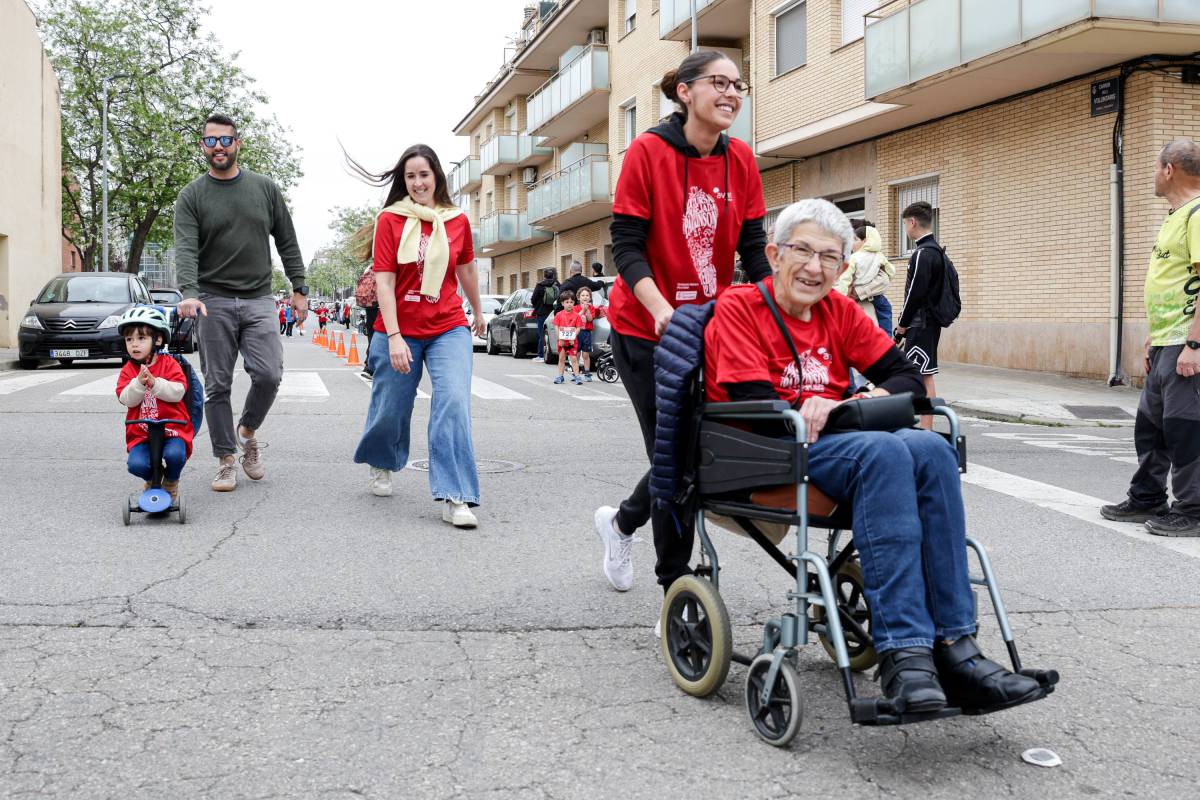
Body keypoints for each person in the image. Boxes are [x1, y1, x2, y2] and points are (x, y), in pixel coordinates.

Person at [705, 197, 1042, 713]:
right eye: (803, 251)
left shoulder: (839, 311)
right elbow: (754, 402)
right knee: (882, 452)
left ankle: (957, 648)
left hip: (836, 440)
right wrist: (836, 411)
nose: (815, 267)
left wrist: (852, 402)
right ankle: (904, 655)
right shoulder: (740, 307)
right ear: (774, 254)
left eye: (830, 257)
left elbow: (905, 377)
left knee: (930, 447)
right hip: (769, 448)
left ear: (843, 266)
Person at [593, 50, 771, 602]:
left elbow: (754, 249)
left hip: (705, 329)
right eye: (719, 82)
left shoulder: (741, 160)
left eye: (738, 85)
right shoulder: (648, 151)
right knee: (673, 455)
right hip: (643, 328)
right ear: (686, 92)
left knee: (697, 450)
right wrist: (660, 308)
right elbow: (626, 245)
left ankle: (622, 522)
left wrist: (780, 309)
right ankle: (676, 586)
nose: (731, 93)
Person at [347, 143, 486, 527]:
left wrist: (477, 311)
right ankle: (381, 460)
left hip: (447, 326)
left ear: (437, 176)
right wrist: (394, 337)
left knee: (453, 401)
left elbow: (466, 270)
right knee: (391, 407)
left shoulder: (457, 220)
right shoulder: (390, 220)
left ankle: (455, 495)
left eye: (424, 174)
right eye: (410, 176)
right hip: (399, 327)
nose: (418, 182)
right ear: (403, 181)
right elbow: (385, 282)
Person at [174, 113, 306, 492]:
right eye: (210, 141)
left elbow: (287, 240)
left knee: (269, 374)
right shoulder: (191, 196)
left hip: (258, 298)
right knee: (217, 384)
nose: (218, 147)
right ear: (202, 146)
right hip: (211, 300)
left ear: (237, 143)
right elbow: (185, 248)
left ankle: (246, 431)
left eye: (225, 140)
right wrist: (189, 292)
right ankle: (226, 460)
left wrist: (299, 287)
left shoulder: (264, 189)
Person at [1101, 139, 1200, 537]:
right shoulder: (1175, 216)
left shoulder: (1197, 214)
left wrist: (1194, 344)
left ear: (1169, 169)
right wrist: (1152, 337)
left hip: (1186, 344)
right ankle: (1147, 496)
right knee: (1151, 427)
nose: (1154, 175)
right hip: (1164, 341)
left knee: (1184, 428)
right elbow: (1172, 283)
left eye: (1157, 168)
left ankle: (1193, 510)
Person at [114, 307, 194, 503]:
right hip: (141, 432)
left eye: (141, 338)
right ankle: (153, 479)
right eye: (129, 339)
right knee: (136, 465)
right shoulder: (128, 370)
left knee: (175, 455)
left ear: (157, 340)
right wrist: (139, 383)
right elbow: (125, 398)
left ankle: (171, 481)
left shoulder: (169, 364)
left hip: (172, 428)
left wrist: (155, 383)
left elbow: (178, 391)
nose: (134, 344)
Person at [895, 201, 946, 431]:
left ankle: (926, 428)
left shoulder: (922, 254)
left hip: (920, 324)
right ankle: (924, 426)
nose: (905, 228)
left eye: (905, 223)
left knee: (921, 376)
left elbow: (914, 295)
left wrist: (902, 325)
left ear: (912, 222)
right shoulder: (937, 251)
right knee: (923, 374)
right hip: (930, 323)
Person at [837, 222, 894, 332]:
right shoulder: (879, 256)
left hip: (863, 304)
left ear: (865, 241)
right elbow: (891, 272)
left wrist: (844, 296)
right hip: (873, 299)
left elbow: (844, 279)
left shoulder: (853, 258)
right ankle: (887, 337)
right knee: (886, 313)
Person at [552, 290, 584, 385]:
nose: (569, 304)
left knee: (574, 359)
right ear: (562, 303)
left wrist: (573, 337)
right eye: (567, 302)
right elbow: (556, 327)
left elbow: (578, 328)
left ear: (574, 303)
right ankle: (560, 376)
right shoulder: (559, 315)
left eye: (571, 302)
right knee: (561, 359)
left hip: (572, 342)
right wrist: (560, 338)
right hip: (562, 341)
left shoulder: (576, 316)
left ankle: (577, 376)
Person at [531, 268, 559, 362]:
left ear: (544, 275)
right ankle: (553, 352)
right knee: (553, 333)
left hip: (541, 312)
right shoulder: (557, 284)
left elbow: (533, 299)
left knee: (541, 334)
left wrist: (538, 306)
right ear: (553, 275)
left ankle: (541, 355)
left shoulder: (540, 285)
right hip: (553, 313)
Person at [576, 286, 597, 381]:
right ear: (578, 297)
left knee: (585, 354)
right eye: (583, 295)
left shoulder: (591, 308)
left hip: (586, 333)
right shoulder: (575, 308)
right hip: (577, 333)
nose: (585, 297)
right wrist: (582, 310)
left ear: (590, 298)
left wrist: (587, 310)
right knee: (576, 354)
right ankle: (576, 372)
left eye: (587, 295)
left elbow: (590, 319)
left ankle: (587, 372)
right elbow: (575, 318)